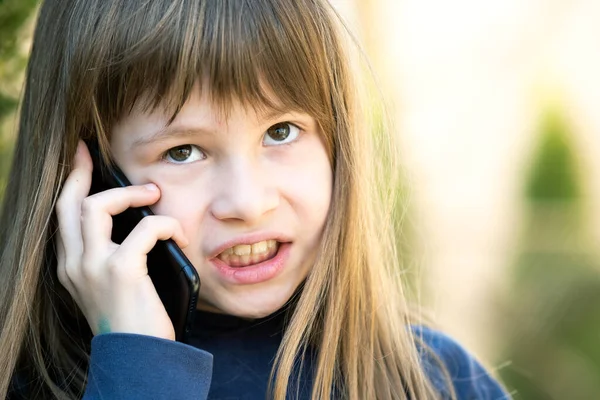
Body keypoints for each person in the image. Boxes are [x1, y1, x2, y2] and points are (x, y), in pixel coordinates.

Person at [0, 0, 509, 399]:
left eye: (281, 131)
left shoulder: (437, 382)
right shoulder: (24, 384)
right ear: (89, 179)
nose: (248, 202)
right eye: (183, 151)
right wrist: (140, 369)